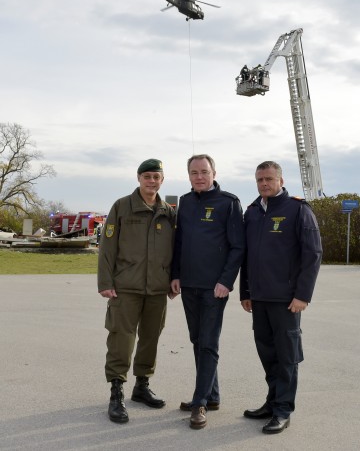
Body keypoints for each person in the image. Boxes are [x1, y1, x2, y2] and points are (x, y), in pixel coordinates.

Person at [240, 161, 322, 434]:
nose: (264, 184)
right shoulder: (252, 212)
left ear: (281, 180)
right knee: (268, 354)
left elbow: (313, 255)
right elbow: (246, 255)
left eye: (269, 179)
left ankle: (283, 410)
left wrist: (302, 296)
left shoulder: (298, 209)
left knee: (287, 357)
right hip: (259, 298)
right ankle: (272, 401)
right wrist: (245, 292)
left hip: (287, 300)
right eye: (259, 179)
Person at [98, 158, 176, 424]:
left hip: (157, 287)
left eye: (156, 177)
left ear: (162, 180)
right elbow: (107, 248)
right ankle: (116, 391)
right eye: (147, 177)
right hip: (125, 287)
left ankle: (142, 385)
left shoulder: (168, 212)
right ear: (139, 178)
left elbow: (177, 250)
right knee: (122, 337)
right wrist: (105, 282)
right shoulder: (121, 207)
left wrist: (174, 278)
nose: (152, 181)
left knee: (151, 337)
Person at [171, 154, 245, 430]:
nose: (199, 176)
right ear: (188, 175)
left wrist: (226, 281)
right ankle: (211, 395)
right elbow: (179, 243)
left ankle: (199, 401)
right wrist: (175, 274)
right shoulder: (186, 203)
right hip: (189, 284)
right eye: (194, 172)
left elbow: (237, 246)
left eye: (204, 171)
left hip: (215, 287)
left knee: (208, 343)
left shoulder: (228, 202)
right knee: (196, 339)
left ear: (214, 172)